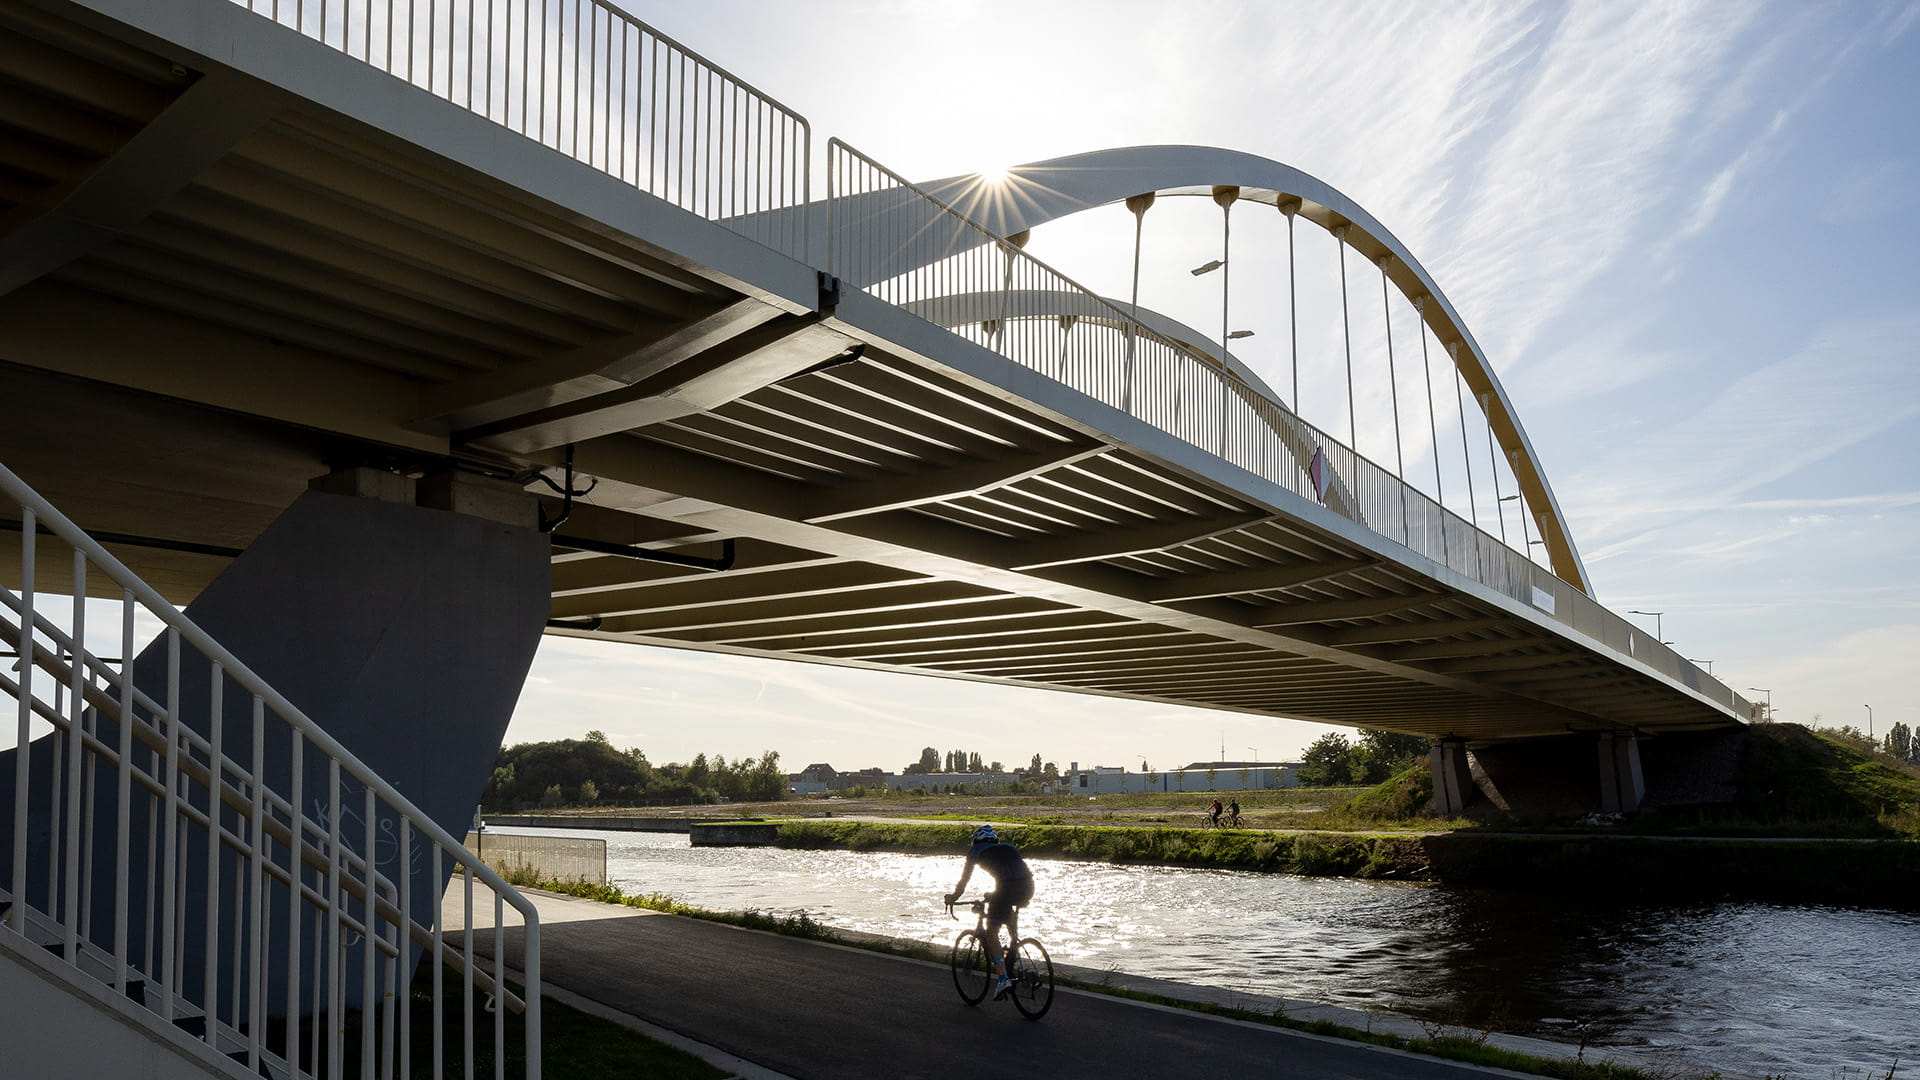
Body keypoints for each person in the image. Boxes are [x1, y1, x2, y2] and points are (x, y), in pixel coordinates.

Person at [944, 825, 1033, 999]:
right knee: (1007, 914)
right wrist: (994, 894)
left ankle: (1002, 979)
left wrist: (953, 897)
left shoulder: (975, 850)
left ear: (976, 840)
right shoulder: (1008, 847)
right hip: (1028, 886)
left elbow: (964, 880)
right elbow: (1011, 872)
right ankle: (1015, 951)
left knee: (991, 933)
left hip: (1006, 887)